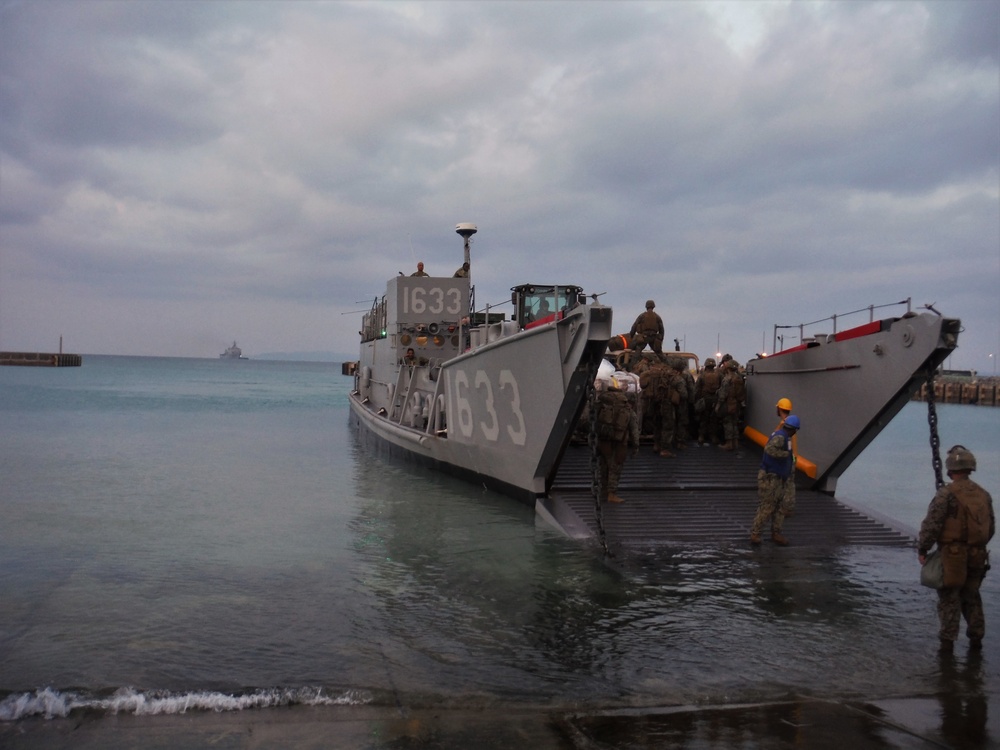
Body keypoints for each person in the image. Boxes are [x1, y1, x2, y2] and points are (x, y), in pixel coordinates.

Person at [918, 445, 995, 653]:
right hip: (979, 555)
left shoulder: (946, 494)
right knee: (972, 596)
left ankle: (947, 646)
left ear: (950, 469)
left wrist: (923, 549)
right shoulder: (984, 495)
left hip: (953, 556)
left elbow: (932, 524)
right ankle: (976, 642)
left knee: (949, 598)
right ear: (971, 468)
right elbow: (991, 528)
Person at [750, 414, 800, 546]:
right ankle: (756, 533)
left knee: (779, 507)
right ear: (793, 429)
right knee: (767, 506)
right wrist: (785, 455)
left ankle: (776, 533)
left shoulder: (786, 438)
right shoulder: (780, 437)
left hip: (780, 478)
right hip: (770, 477)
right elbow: (769, 449)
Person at [594, 380, 640, 504]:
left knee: (603, 465)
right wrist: (636, 446)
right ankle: (612, 494)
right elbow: (634, 431)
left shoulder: (603, 403)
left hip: (602, 439)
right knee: (615, 467)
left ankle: (603, 490)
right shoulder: (628, 411)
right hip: (618, 443)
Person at [715, 359, 745, 450]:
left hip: (728, 404)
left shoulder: (727, 379)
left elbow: (722, 394)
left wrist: (718, 406)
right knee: (734, 423)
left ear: (728, 368)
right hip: (737, 404)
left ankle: (729, 444)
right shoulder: (739, 378)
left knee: (727, 423)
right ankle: (735, 442)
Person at [774, 398, 797, 516]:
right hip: (792, 457)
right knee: (789, 483)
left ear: (779, 409)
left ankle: (786, 508)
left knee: (787, 483)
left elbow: (774, 437)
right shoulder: (791, 423)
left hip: (786, 458)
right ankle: (786, 506)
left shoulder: (784, 425)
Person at [695, 357, 722, 446]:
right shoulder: (719, 375)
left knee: (703, 418)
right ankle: (713, 436)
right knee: (714, 419)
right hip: (715, 399)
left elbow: (697, 389)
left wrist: (697, 400)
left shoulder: (702, 376)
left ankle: (701, 436)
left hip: (704, 400)